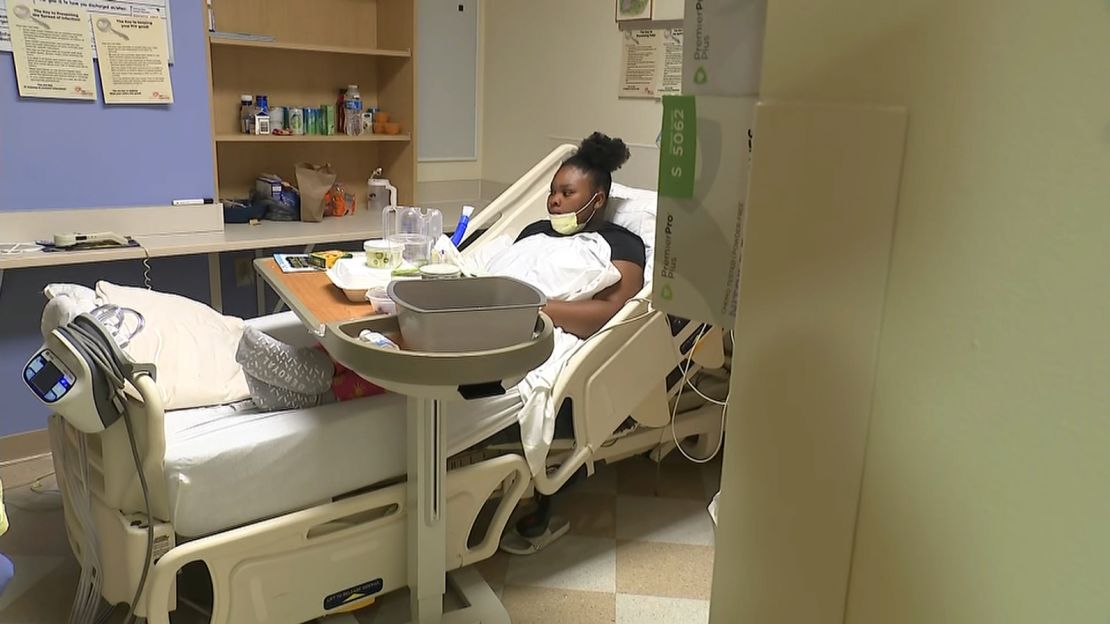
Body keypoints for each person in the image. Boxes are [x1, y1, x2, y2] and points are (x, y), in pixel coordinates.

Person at [235, 132, 644, 554]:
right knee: (400, 316)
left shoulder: (622, 244)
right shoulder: (536, 230)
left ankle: (317, 382)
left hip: (523, 323)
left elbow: (610, 312)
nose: (554, 201)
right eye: (553, 191)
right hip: (480, 301)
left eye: (567, 193)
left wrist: (524, 308)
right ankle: (315, 369)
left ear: (598, 199)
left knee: (430, 348)